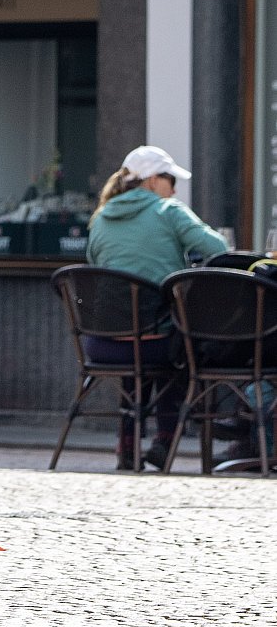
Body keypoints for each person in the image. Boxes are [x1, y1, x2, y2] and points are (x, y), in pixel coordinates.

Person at [87, 143, 228, 469]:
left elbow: (94, 267)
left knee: (136, 333)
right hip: (154, 344)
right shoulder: (169, 210)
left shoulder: (101, 218)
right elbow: (218, 247)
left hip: (103, 344)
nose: (174, 189)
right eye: (170, 180)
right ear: (152, 181)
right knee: (180, 349)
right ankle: (165, 439)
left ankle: (127, 444)